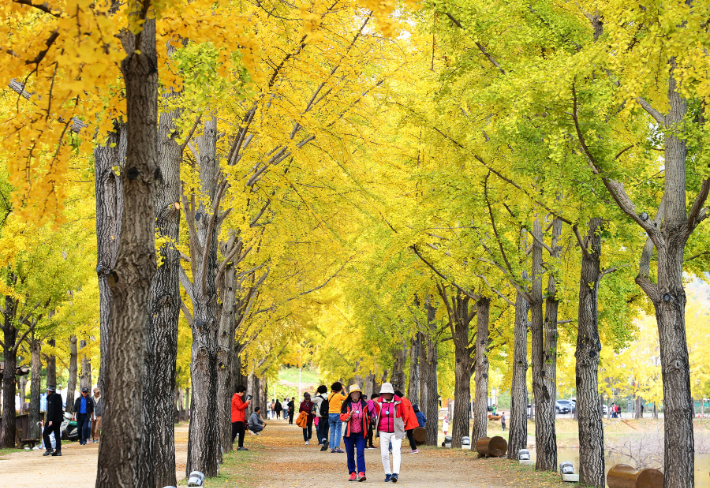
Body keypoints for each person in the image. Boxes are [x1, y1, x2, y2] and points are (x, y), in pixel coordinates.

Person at [375, 383, 405, 483]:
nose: (386, 395)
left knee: (396, 451)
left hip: (396, 431)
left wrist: (401, 425)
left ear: (391, 393)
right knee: (384, 453)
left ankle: (395, 473)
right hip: (383, 430)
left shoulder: (399, 402)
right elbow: (376, 414)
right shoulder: (379, 402)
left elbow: (404, 414)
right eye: (384, 393)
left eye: (388, 393)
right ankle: (387, 473)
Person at [340, 384, 369, 482]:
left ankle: (361, 473)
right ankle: (352, 473)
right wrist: (349, 414)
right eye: (353, 393)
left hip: (360, 433)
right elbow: (342, 418)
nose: (355, 395)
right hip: (349, 434)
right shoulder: (346, 404)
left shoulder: (364, 404)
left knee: (360, 453)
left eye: (357, 393)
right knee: (350, 454)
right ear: (350, 395)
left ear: (359, 393)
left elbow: (367, 418)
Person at [395, 390, 419, 454]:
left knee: (401, 434)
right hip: (409, 420)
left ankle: (398, 449)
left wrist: (404, 421)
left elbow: (406, 412)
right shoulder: (405, 400)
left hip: (408, 421)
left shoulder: (403, 401)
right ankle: (414, 449)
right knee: (409, 435)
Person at [43, 385, 63, 456]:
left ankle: (49, 448)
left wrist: (50, 420)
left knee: (45, 433)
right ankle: (58, 450)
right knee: (57, 435)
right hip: (59, 419)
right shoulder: (59, 397)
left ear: (49, 391)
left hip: (53, 419)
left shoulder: (51, 397)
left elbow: (51, 409)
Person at [328, 382, 347, 453]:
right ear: (339, 388)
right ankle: (337, 447)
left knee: (332, 431)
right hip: (337, 414)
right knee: (338, 431)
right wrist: (344, 391)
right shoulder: (339, 396)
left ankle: (332, 448)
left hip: (330, 414)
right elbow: (348, 398)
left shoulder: (329, 395)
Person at [231, 385, 251, 451]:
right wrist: (246, 403)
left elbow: (242, 407)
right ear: (239, 391)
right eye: (243, 392)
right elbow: (239, 407)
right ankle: (229, 445)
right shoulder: (235, 398)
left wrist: (246, 404)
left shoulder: (239, 399)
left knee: (242, 432)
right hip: (236, 418)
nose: (243, 394)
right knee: (234, 433)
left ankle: (240, 446)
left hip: (240, 418)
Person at [312, 385, 330, 450]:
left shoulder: (318, 398)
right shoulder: (329, 396)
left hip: (321, 415)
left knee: (320, 430)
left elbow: (312, 400)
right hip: (328, 415)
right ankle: (325, 445)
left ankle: (324, 441)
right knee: (326, 430)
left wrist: (315, 393)